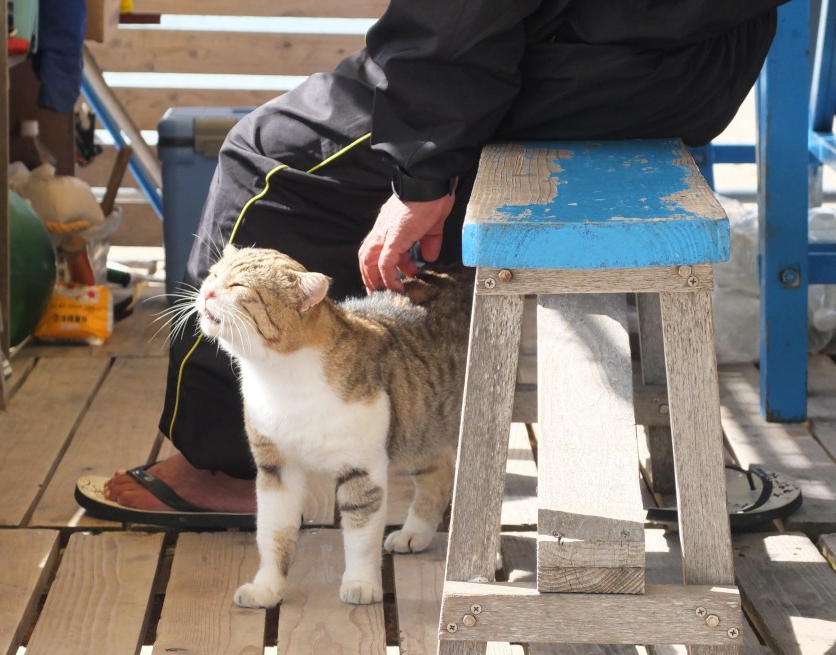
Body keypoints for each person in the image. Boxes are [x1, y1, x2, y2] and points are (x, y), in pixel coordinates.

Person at [79, 0, 788, 525]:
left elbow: (456, 19)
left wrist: (420, 174)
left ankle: (223, 469)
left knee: (272, 161)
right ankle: (680, 476)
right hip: (696, 64)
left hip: (583, 66)